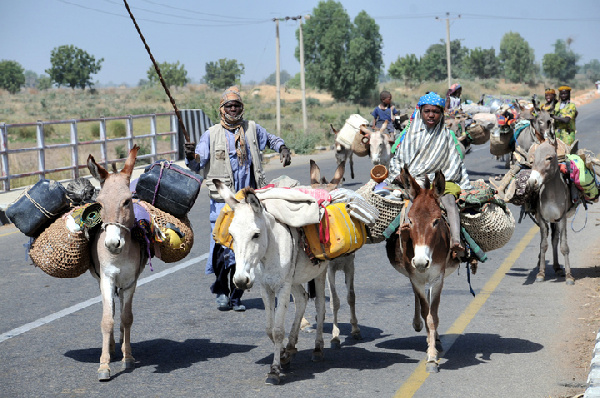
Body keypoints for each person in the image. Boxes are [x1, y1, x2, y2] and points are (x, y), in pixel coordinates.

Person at [185, 86, 292, 312]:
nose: (233, 109)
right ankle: (222, 291)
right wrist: (189, 155)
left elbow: (271, 139)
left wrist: (282, 147)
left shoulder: (252, 129)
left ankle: (236, 296)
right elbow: (197, 164)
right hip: (224, 202)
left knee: (247, 250)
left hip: (250, 203)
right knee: (223, 249)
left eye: (237, 105)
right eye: (229, 106)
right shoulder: (211, 134)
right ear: (221, 110)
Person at [387, 92, 471, 257]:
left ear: (441, 114)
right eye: (427, 111)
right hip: (414, 181)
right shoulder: (409, 135)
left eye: (436, 111)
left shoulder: (446, 136)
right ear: (421, 112)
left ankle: (455, 241)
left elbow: (454, 163)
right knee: (409, 204)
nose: (431, 115)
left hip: (439, 183)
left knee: (449, 202)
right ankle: (403, 235)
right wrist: (399, 175)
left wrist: (438, 182)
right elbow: (399, 159)